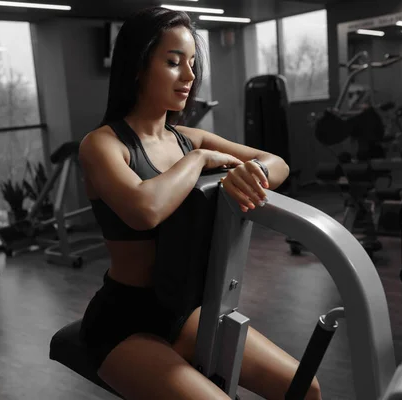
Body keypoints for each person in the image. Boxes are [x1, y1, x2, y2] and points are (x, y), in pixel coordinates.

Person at [78, 6, 322, 400]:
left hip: (184, 309)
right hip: (123, 321)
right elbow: (144, 210)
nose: (190, 76)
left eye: (192, 63)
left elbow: (278, 164)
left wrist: (248, 172)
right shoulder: (103, 145)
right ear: (138, 66)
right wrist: (199, 160)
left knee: (305, 389)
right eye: (174, 62)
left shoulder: (188, 137)